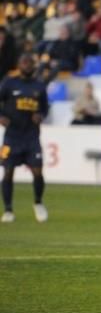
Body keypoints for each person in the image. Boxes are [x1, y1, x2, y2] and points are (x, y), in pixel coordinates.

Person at [0, 54, 49, 223]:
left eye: (30, 63)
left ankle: (38, 202)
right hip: (11, 137)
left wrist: (41, 115)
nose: (27, 65)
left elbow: (45, 108)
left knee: (38, 171)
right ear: (19, 65)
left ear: (34, 66)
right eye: (24, 62)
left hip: (31, 137)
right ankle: (8, 210)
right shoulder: (9, 83)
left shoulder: (39, 86)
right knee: (7, 173)